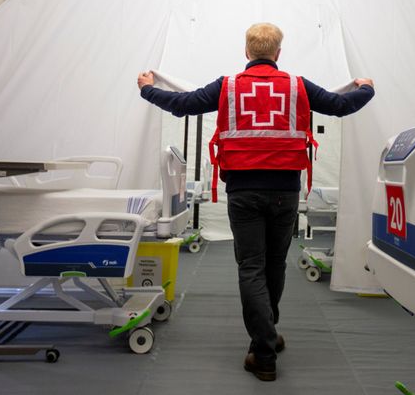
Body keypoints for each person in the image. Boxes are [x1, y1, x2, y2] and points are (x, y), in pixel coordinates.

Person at [137, 22, 374, 381]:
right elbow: (340, 106)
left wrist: (148, 90)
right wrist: (366, 89)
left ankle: (263, 350)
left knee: (251, 266)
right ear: (278, 53)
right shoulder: (298, 86)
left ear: (246, 52)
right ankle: (267, 335)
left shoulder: (227, 86)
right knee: (275, 264)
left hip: (243, 192)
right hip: (285, 191)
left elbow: (182, 104)